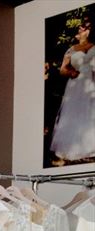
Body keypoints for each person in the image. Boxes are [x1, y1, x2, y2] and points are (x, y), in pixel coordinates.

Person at [50, 17, 95, 164]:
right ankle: (72, 148)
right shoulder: (71, 49)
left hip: (92, 83)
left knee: (90, 113)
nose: (81, 29)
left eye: (85, 27)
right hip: (76, 85)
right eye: (81, 27)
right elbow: (63, 69)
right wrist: (71, 72)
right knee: (74, 113)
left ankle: (91, 148)